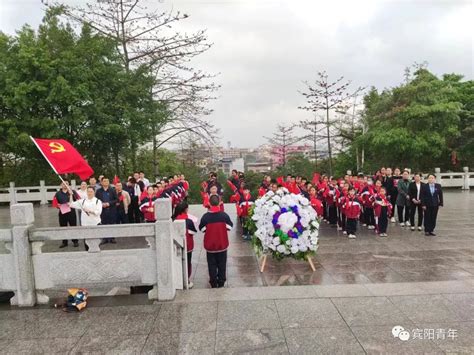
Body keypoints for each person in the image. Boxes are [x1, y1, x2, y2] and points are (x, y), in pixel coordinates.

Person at [199, 195, 233, 288]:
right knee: (222, 264)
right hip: (222, 245)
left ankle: (213, 282)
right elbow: (230, 227)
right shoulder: (224, 215)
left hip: (210, 246)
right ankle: (221, 281)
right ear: (219, 203)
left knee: (211, 264)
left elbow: (202, 229)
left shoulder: (205, 217)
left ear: (209, 203)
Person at [173, 201, 198, 288]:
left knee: (177, 262)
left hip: (176, 246)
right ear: (186, 210)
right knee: (187, 263)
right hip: (188, 246)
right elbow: (193, 232)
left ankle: (178, 280)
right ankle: (186, 280)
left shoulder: (173, 220)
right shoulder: (189, 221)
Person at [54, 180, 79, 248]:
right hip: (62, 212)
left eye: (66, 183)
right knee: (63, 227)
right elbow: (55, 203)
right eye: (63, 184)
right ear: (61, 185)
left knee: (73, 226)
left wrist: (72, 195)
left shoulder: (73, 192)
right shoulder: (58, 193)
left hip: (71, 212)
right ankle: (64, 242)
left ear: (69, 185)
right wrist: (58, 205)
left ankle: (75, 241)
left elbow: (78, 201)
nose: (65, 185)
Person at [95, 178, 118, 243]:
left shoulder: (112, 190)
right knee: (103, 224)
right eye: (104, 181)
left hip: (111, 209)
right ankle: (104, 238)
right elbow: (96, 200)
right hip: (102, 210)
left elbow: (116, 200)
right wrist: (101, 204)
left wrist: (109, 203)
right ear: (101, 182)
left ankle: (112, 238)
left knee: (112, 224)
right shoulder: (98, 191)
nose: (106, 182)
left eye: (107, 181)